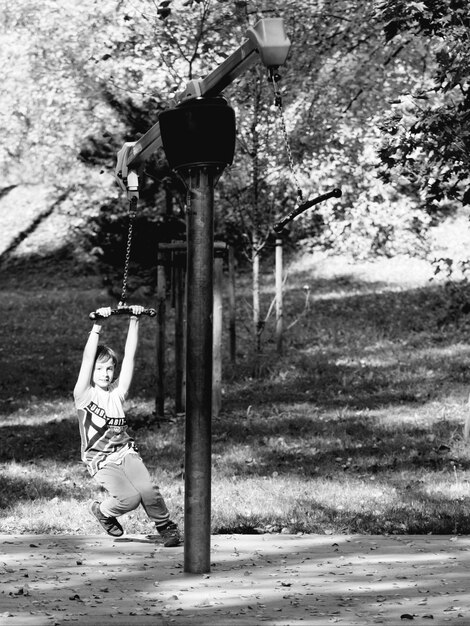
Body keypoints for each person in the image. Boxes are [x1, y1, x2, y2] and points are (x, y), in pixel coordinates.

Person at [73, 305, 181, 547]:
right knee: (129, 499)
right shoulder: (83, 395)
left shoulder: (117, 393)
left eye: (110, 368)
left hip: (125, 452)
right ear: (90, 372)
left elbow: (130, 357)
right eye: (99, 369)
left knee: (148, 490)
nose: (105, 373)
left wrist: (135, 319)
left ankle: (166, 527)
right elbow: (87, 357)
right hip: (100, 459)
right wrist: (98, 325)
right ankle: (101, 510)